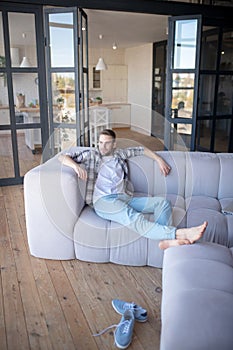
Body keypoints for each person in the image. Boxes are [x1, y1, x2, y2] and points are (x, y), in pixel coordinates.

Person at [59, 129, 207, 249]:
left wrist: (159, 160)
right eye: (100, 142)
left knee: (163, 203)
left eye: (107, 143)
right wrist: (76, 166)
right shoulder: (92, 155)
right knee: (134, 217)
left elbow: (141, 150)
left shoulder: (120, 155)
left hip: (123, 197)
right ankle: (179, 233)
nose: (102, 147)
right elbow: (62, 157)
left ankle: (165, 240)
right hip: (103, 201)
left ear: (114, 144)